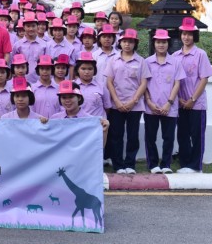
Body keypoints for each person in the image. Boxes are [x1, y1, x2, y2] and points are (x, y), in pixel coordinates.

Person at [104, 28, 150, 174]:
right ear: (120, 43)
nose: (127, 44)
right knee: (116, 136)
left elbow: (143, 83)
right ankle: (118, 165)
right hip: (116, 105)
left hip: (135, 106)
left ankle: (130, 164)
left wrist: (133, 101)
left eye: (130, 42)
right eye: (124, 41)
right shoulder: (113, 60)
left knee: (132, 136)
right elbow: (109, 82)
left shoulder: (141, 61)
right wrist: (116, 101)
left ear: (135, 43)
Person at [172, 17, 212, 174]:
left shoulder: (200, 54)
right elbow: (173, 81)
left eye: (189, 34)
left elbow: (204, 79)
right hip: (180, 103)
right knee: (182, 135)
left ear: (194, 35)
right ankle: (185, 165)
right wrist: (179, 99)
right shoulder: (175, 56)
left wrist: (192, 99)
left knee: (197, 136)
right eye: (184, 33)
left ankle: (196, 166)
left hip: (197, 104)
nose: (186, 37)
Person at [144, 29, 186, 174]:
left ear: (168, 43)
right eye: (158, 42)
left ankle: (166, 164)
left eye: (164, 42)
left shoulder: (175, 62)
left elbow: (177, 84)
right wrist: (149, 102)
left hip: (170, 107)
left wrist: (169, 103)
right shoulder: (147, 62)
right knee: (150, 137)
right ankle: (153, 164)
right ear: (154, 43)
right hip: (151, 107)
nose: (161, 45)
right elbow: (144, 84)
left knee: (168, 137)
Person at [50, 81, 110, 146]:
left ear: (79, 98)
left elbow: (98, 146)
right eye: (64, 97)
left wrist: (105, 131)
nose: (67, 100)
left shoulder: (91, 121)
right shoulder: (54, 119)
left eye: (71, 97)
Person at [74, 51, 110, 119]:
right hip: (78, 123)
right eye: (83, 69)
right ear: (77, 70)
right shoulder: (72, 86)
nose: (87, 72)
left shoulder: (101, 86)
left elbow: (107, 107)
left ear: (94, 70)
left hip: (97, 123)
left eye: (90, 69)